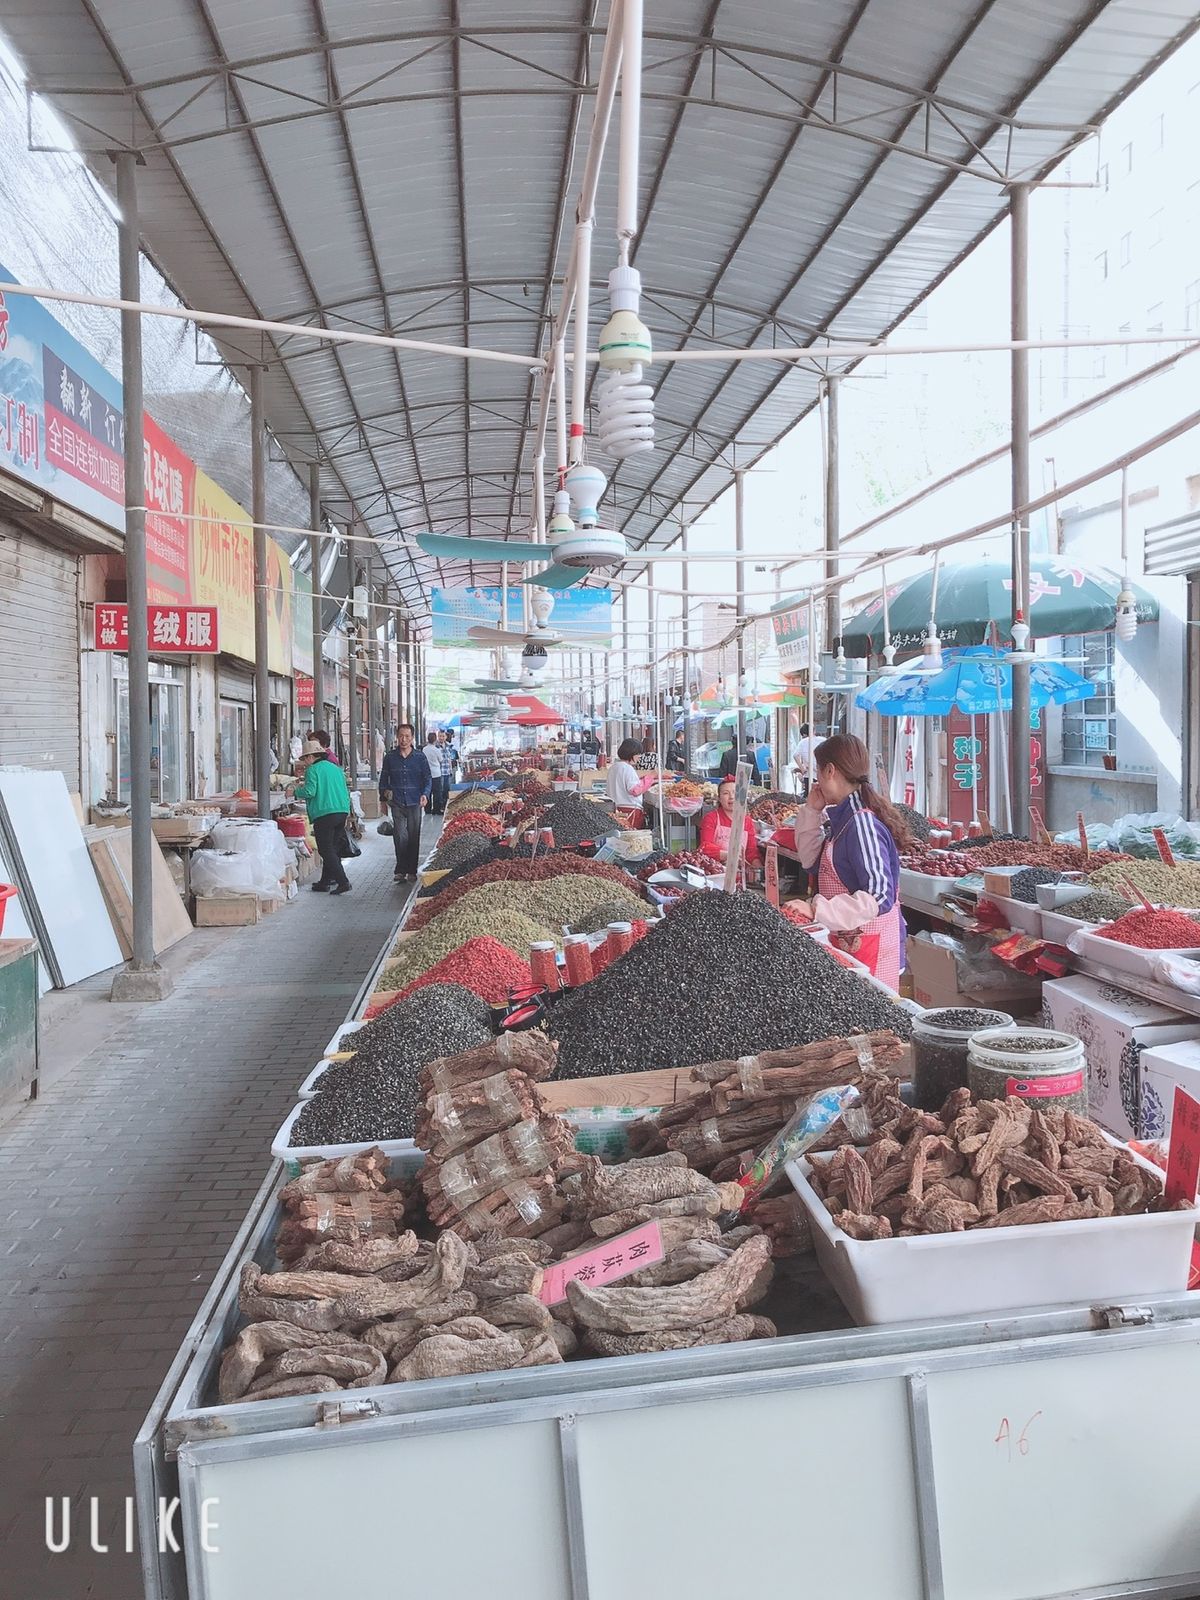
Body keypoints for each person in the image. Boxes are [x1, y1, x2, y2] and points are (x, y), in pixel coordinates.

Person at [788, 732, 912, 989]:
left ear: (830, 771)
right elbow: (811, 861)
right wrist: (811, 811)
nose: (817, 781)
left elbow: (880, 896)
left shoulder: (862, 823)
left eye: (819, 773)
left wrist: (816, 910)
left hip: (871, 946)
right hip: (847, 940)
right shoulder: (841, 817)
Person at [295, 737, 353, 895]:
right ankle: (325, 882)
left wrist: (294, 791)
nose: (305, 762)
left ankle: (343, 881)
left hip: (325, 813)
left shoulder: (313, 770)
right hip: (341, 812)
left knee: (326, 850)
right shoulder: (335, 768)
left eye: (305, 758)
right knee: (332, 848)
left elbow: (310, 791)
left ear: (311, 757)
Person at [381, 724, 433, 882]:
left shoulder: (420, 757)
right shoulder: (390, 757)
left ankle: (412, 870)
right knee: (399, 836)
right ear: (397, 736)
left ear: (412, 738)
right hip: (396, 802)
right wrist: (383, 800)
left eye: (407, 736)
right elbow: (383, 780)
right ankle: (400, 869)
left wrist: (425, 794)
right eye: (401, 736)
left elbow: (427, 778)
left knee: (413, 835)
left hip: (414, 802)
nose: (404, 739)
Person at [698, 778, 760, 876]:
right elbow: (705, 848)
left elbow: (751, 851)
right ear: (719, 798)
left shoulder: (747, 821)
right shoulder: (711, 818)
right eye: (726, 793)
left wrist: (759, 869)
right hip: (716, 873)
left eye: (735, 793)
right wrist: (729, 855)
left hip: (740, 874)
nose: (731, 797)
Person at [606, 737, 656, 824]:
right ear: (632, 753)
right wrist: (651, 777)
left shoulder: (613, 767)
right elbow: (635, 790)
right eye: (638, 754)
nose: (639, 757)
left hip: (615, 809)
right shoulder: (627, 768)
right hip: (630, 811)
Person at [423, 731, 445, 814]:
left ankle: (427, 809)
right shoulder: (437, 750)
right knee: (437, 793)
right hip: (436, 774)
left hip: (427, 774)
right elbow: (441, 760)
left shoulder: (424, 749)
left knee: (427, 792)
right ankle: (436, 810)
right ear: (435, 740)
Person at [792, 723, 815, 795]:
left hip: (809, 776)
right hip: (823, 776)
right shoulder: (822, 740)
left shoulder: (803, 742)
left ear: (804, 734)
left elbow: (795, 755)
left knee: (809, 796)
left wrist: (802, 769)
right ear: (814, 731)